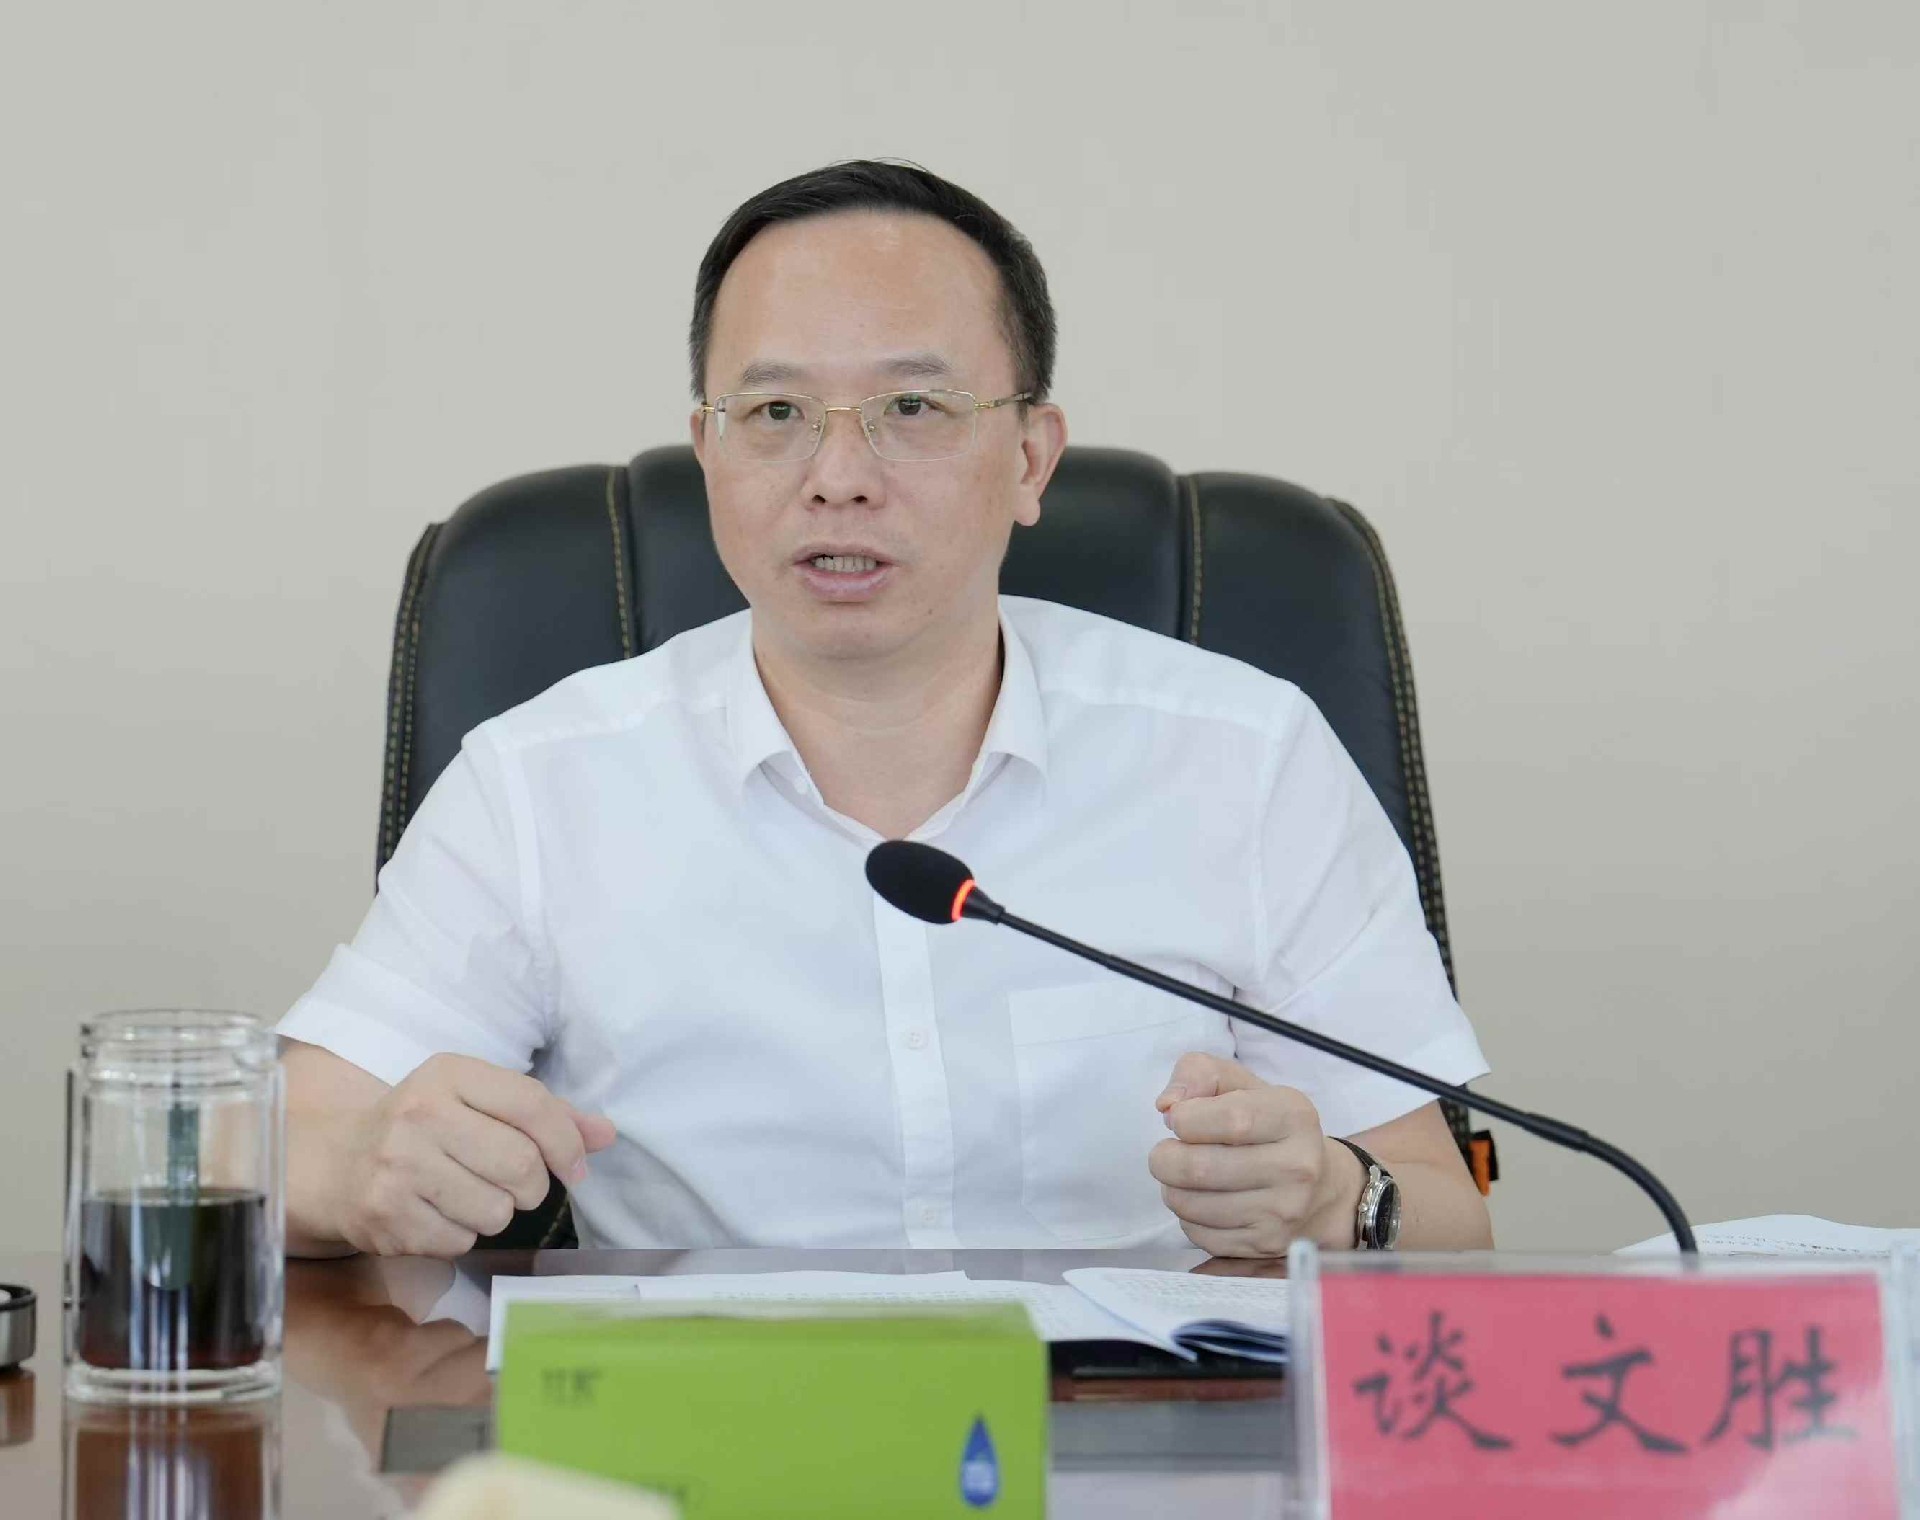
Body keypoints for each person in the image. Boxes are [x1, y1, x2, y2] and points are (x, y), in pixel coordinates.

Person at [279, 160, 1493, 1260]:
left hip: (1136, 1419)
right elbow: (280, 1150)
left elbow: (1454, 1215)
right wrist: (359, 1168)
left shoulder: (1247, 757)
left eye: (912, 409)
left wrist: (1339, 1196)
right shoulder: (543, 783)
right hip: (703, 1421)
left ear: (1032, 457)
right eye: (775, 414)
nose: (839, 477)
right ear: (708, 451)